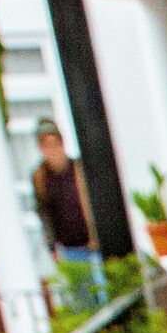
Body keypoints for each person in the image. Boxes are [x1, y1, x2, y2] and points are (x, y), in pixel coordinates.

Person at [28, 124, 100, 307]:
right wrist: (53, 246)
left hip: (92, 243)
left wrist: (96, 234)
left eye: (55, 144)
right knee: (83, 301)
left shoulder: (78, 168)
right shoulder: (40, 177)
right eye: (46, 145)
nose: (52, 150)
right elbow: (44, 213)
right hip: (70, 248)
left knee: (105, 293)